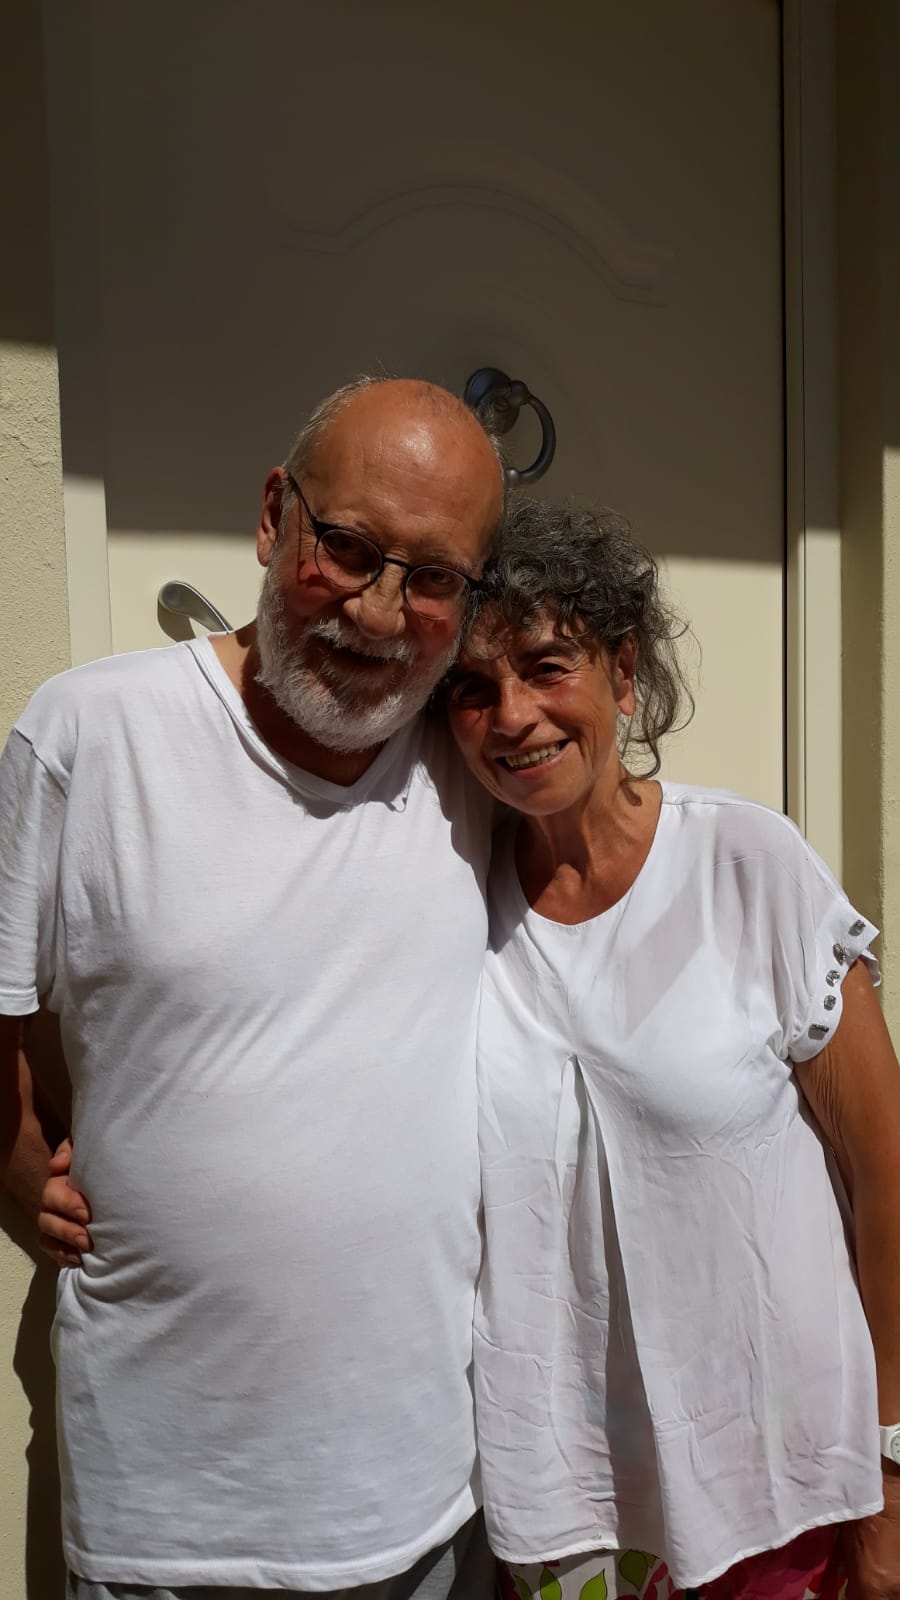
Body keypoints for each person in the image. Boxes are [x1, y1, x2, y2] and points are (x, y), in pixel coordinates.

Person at [0, 377, 505, 1599]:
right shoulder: (89, 735)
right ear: (277, 515)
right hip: (167, 1510)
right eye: (350, 547)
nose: (380, 612)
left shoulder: (474, 765)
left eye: (434, 578)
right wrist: (10, 1160)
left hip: (424, 1499)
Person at [443, 498, 900, 1600]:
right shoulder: (454, 902)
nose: (513, 716)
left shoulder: (747, 865)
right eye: (472, 688)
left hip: (779, 1489)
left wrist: (893, 1467)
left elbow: (887, 1176)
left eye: (547, 666)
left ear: (623, 671)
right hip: (568, 1505)